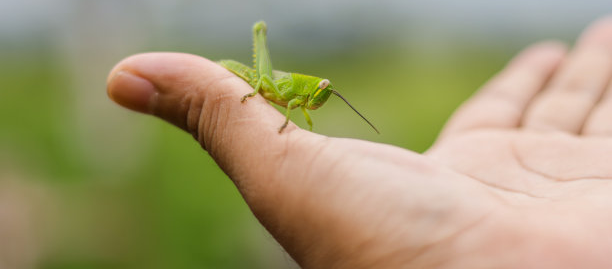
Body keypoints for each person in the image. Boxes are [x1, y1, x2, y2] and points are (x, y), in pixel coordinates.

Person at [107, 17, 612, 268]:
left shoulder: (307, 103)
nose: (321, 96)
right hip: (262, 81)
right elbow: (282, 96)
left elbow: (298, 114)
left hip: (273, 93)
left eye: (323, 93)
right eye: (322, 93)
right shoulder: (295, 92)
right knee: (262, 68)